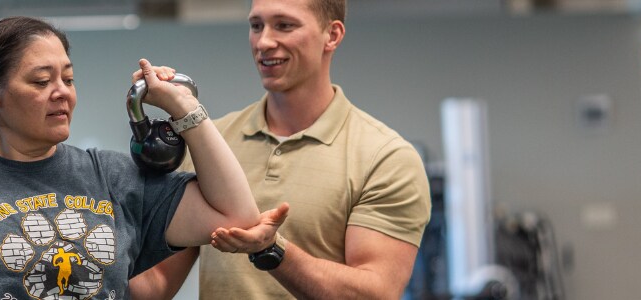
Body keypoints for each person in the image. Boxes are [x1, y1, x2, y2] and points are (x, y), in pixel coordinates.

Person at [0, 16, 260, 300]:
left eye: (68, 79)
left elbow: (236, 215)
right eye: (41, 81)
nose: (62, 92)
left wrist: (185, 108)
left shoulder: (112, 175)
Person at [129, 0, 431, 299]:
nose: (264, 41)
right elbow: (155, 284)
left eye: (284, 25)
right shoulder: (210, 142)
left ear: (333, 35)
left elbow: (374, 293)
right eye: (256, 25)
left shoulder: (386, 157)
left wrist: (270, 249)